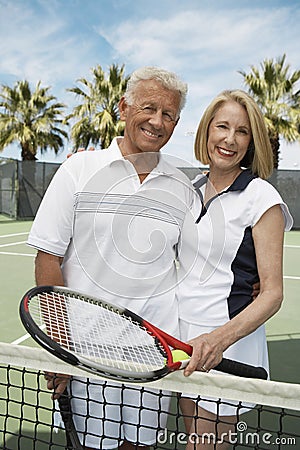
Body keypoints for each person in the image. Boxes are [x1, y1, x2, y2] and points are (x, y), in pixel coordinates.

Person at [27, 66, 200, 450]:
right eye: (148, 108)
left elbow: (196, 267)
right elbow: (48, 259)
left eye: (168, 114)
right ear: (124, 108)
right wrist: (60, 347)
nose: (157, 121)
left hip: (152, 355)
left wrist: (250, 282)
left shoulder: (183, 187)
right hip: (86, 351)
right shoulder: (78, 169)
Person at [177, 89, 293, 449]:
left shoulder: (262, 198)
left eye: (241, 131)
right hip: (182, 342)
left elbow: (272, 293)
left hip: (226, 351)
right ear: (206, 132)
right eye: (222, 127)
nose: (229, 139)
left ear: (251, 141)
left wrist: (218, 341)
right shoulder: (188, 188)